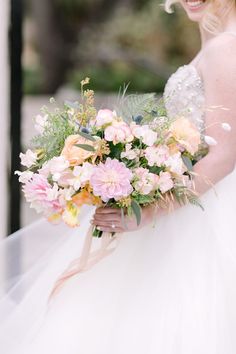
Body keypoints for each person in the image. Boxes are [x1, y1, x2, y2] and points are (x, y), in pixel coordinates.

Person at [0, 0, 236, 353]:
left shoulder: (226, 48)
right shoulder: (214, 43)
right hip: (185, 201)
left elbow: (225, 154)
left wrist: (151, 210)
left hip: (205, 212)